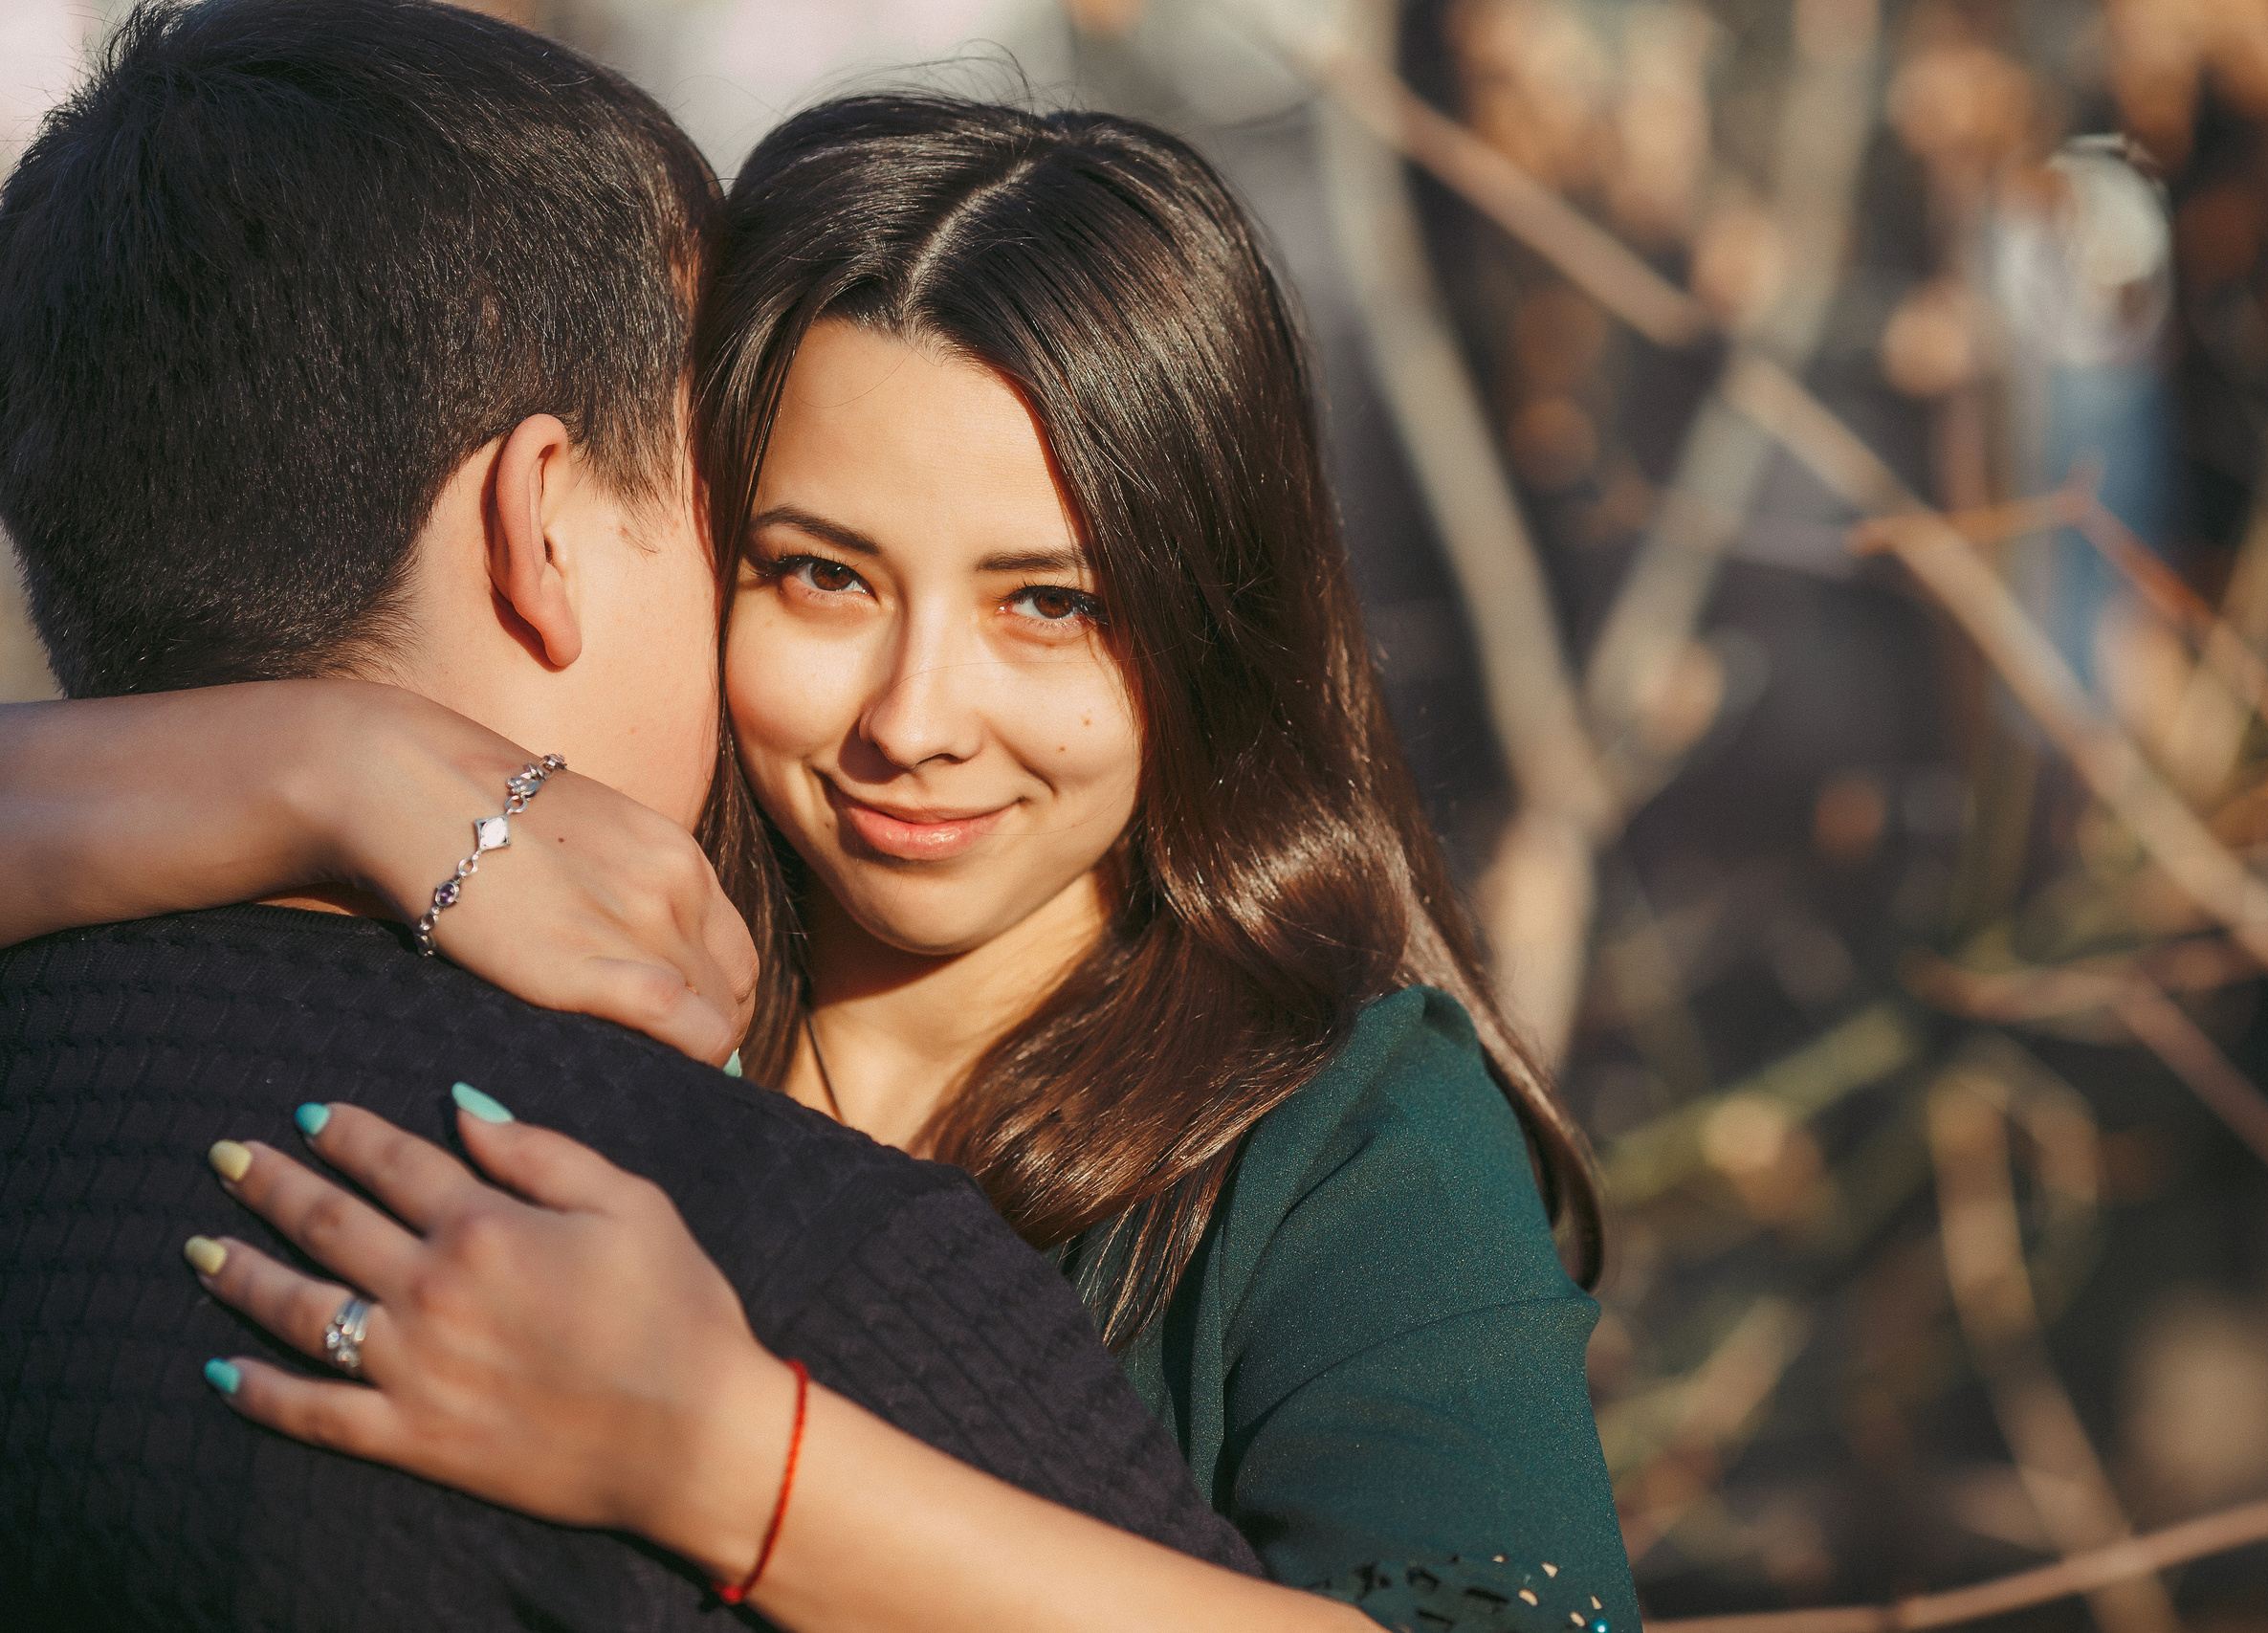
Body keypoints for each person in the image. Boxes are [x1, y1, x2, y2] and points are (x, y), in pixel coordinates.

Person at [0, 60, 1641, 1633]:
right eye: (821, 575)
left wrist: (726, 1458)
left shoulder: (1347, 1134)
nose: (914, 718)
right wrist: (322, 760)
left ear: (1215, 620)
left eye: (1049, 605)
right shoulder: (560, 927)